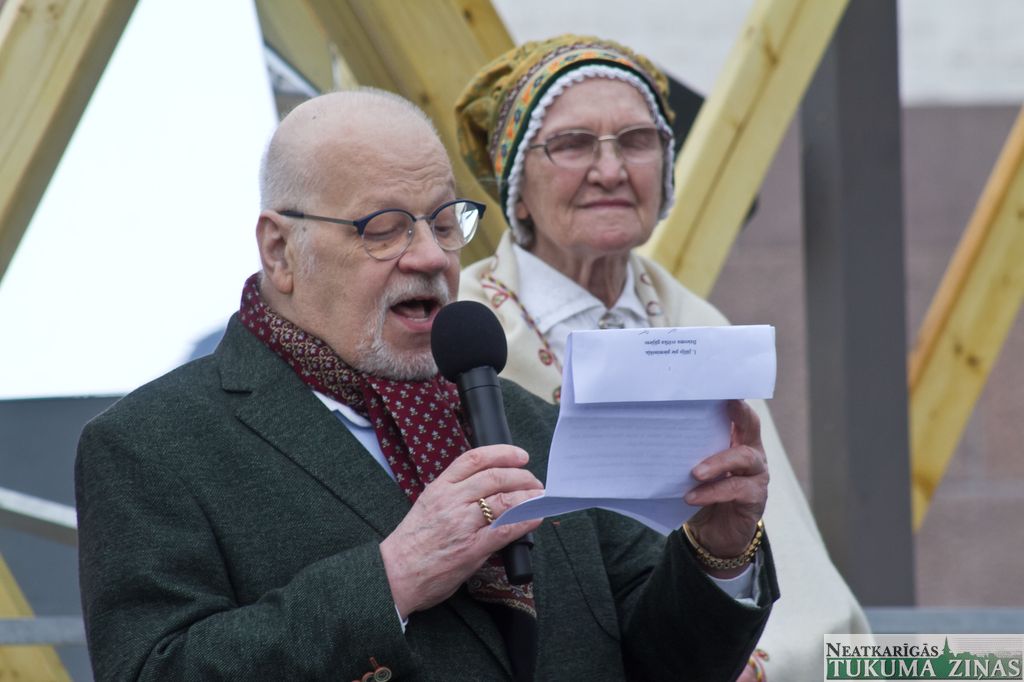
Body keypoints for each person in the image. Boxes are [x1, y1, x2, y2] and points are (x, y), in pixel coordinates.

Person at [75, 88, 778, 681]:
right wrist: (392, 578)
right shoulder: (151, 446)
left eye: (445, 222)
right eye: (383, 228)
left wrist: (718, 552)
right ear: (280, 251)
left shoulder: (529, 423)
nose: (432, 256)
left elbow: (662, 662)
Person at [455, 34, 870, 682]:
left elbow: (787, 555)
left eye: (637, 140)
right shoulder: (464, 332)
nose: (611, 170)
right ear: (517, 187)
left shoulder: (699, 325)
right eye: (572, 144)